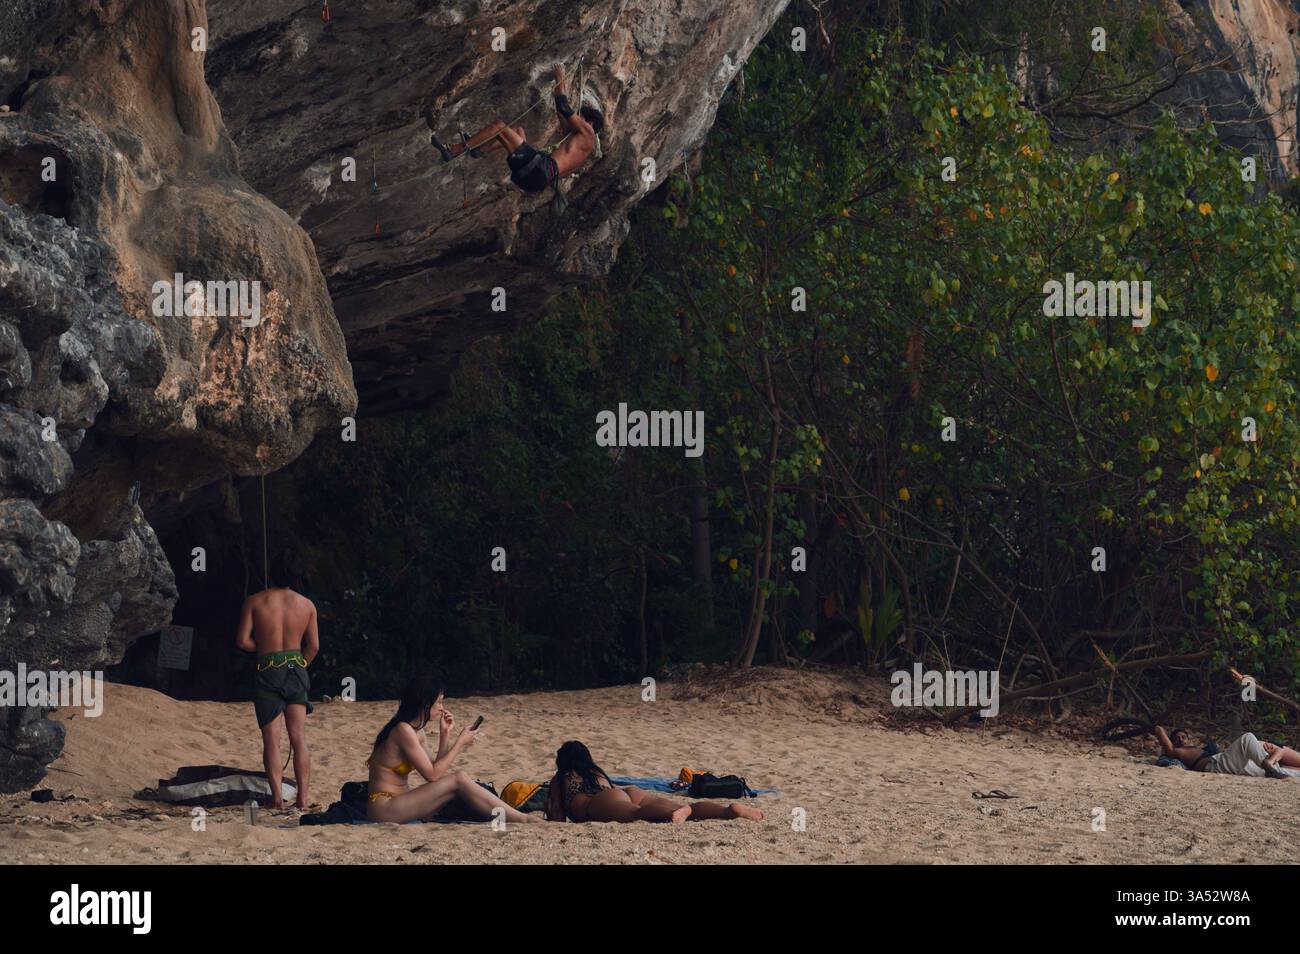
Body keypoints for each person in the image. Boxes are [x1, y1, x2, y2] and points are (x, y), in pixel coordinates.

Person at [366, 675, 542, 824]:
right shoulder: (402, 730)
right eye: (439, 702)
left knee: (459, 784)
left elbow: (436, 772)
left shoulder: (416, 732)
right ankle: (521, 818)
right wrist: (460, 743)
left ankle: (512, 816)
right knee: (459, 779)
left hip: (403, 804)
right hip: (385, 808)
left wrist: (445, 735)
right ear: (425, 704)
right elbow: (432, 775)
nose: (442, 707)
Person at [429, 63, 605, 195]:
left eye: (581, 117)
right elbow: (561, 111)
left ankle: (454, 150)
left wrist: (560, 75)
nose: (577, 119)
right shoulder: (580, 148)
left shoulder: (587, 133)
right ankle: (480, 149)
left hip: (540, 169)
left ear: (589, 123)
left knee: (498, 127)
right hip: (535, 181)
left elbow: (565, 107)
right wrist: (562, 83)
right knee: (517, 131)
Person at [234, 550, 319, 809]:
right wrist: (297, 665)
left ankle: (277, 799)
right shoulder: (307, 605)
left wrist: (264, 649)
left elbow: (242, 641)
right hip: (296, 669)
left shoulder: (254, 601)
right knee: (299, 737)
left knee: (272, 739)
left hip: (267, 669)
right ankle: (303, 799)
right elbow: (313, 647)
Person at [544, 741, 764, 823]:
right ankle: (727, 811)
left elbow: (557, 817)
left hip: (598, 804)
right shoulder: (595, 772)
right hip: (627, 791)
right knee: (679, 808)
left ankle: (673, 815)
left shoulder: (562, 777)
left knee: (635, 814)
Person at [1152, 725, 1300, 778]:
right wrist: (1159, 730)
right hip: (1216, 765)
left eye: (1184, 737)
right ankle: (1269, 764)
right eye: (1177, 738)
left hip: (1223, 763)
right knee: (1247, 738)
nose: (1181, 740)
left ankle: (1274, 768)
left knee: (1281, 771)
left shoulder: (1195, 748)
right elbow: (1169, 751)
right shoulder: (1178, 751)